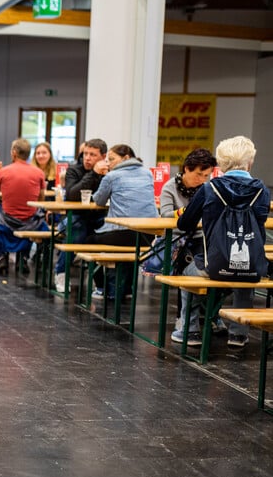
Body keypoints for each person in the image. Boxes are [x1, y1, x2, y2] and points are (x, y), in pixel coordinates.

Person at [173, 136, 269, 348]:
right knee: (245, 273)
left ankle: (189, 331)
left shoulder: (209, 189)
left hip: (213, 264)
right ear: (250, 162)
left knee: (187, 274)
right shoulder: (262, 190)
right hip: (252, 264)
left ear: (222, 164)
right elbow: (260, 221)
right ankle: (238, 334)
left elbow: (185, 223)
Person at [158, 148, 221, 335]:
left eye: (207, 175)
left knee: (214, 262)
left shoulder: (206, 188)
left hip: (200, 236)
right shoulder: (170, 187)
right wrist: (187, 212)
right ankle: (183, 318)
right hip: (177, 237)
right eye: (199, 174)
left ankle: (210, 315)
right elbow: (165, 215)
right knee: (186, 264)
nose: (202, 179)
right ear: (186, 169)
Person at [88, 144, 157, 298]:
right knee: (131, 246)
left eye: (111, 159)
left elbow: (99, 200)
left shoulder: (112, 176)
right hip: (148, 235)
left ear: (126, 158)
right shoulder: (147, 173)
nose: (108, 163)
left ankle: (102, 288)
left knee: (88, 240)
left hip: (122, 234)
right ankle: (127, 289)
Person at [0, 138, 47, 275]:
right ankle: (23, 258)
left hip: (7, 221)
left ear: (14, 153)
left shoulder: (4, 172)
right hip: (30, 221)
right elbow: (41, 200)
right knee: (41, 225)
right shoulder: (39, 173)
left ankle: (1, 257)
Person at [54, 137, 109, 289]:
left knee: (113, 231)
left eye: (92, 155)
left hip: (99, 216)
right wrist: (93, 173)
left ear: (103, 157)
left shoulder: (109, 171)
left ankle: (105, 285)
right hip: (74, 216)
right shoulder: (74, 169)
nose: (87, 158)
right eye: (86, 154)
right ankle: (61, 273)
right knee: (77, 229)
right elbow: (72, 194)